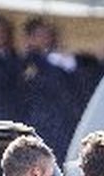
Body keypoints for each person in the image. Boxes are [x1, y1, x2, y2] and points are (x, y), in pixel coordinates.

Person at [20, 17, 79, 162]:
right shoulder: (29, 61)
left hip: (61, 121)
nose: (45, 38)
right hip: (39, 120)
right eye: (40, 35)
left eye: (47, 34)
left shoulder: (60, 59)